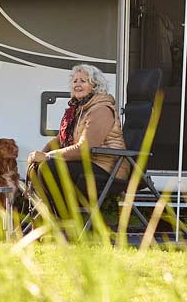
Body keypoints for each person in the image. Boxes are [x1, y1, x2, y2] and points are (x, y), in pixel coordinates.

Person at [26, 63, 128, 214]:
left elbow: (84, 149)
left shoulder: (101, 110)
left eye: (83, 81)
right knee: (36, 168)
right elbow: (60, 140)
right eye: (75, 81)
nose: (77, 85)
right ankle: (48, 221)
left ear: (94, 86)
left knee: (50, 168)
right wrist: (39, 155)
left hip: (107, 169)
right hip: (88, 164)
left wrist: (47, 157)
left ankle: (64, 223)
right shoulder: (79, 110)